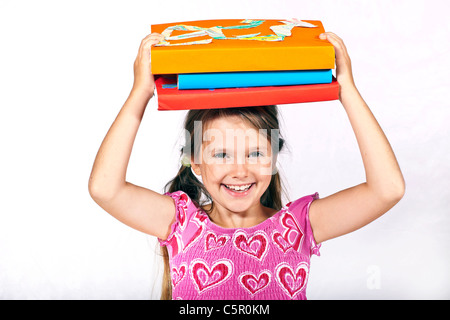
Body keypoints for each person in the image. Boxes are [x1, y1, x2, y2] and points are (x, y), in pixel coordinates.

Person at [88, 31, 405, 300]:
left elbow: (387, 190)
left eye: (254, 154)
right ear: (196, 162)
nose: (240, 171)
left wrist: (346, 89)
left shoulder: (298, 227)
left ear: (273, 157)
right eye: (222, 155)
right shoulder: (180, 223)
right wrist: (140, 92)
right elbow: (105, 188)